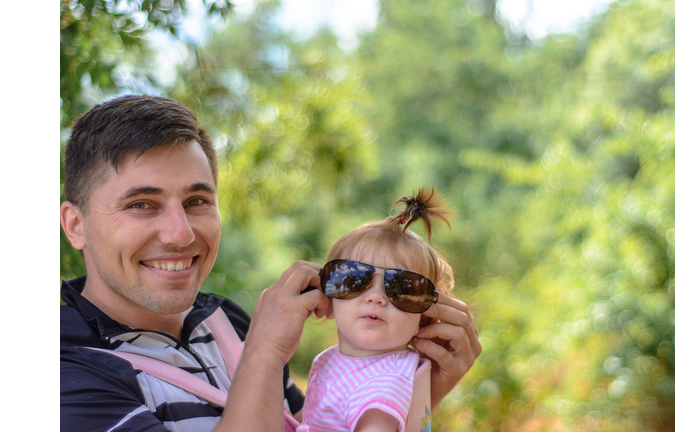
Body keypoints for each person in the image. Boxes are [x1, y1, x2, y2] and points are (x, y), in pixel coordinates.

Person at [59, 95, 482, 432]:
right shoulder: (58, 368)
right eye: (142, 204)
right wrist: (263, 352)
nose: (181, 232)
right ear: (75, 225)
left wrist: (417, 386)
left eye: (197, 201)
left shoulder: (227, 322)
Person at [298, 187, 457, 432]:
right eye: (353, 279)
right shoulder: (341, 361)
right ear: (327, 298)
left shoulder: (383, 382)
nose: (376, 297)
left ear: (425, 316)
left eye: (402, 289)